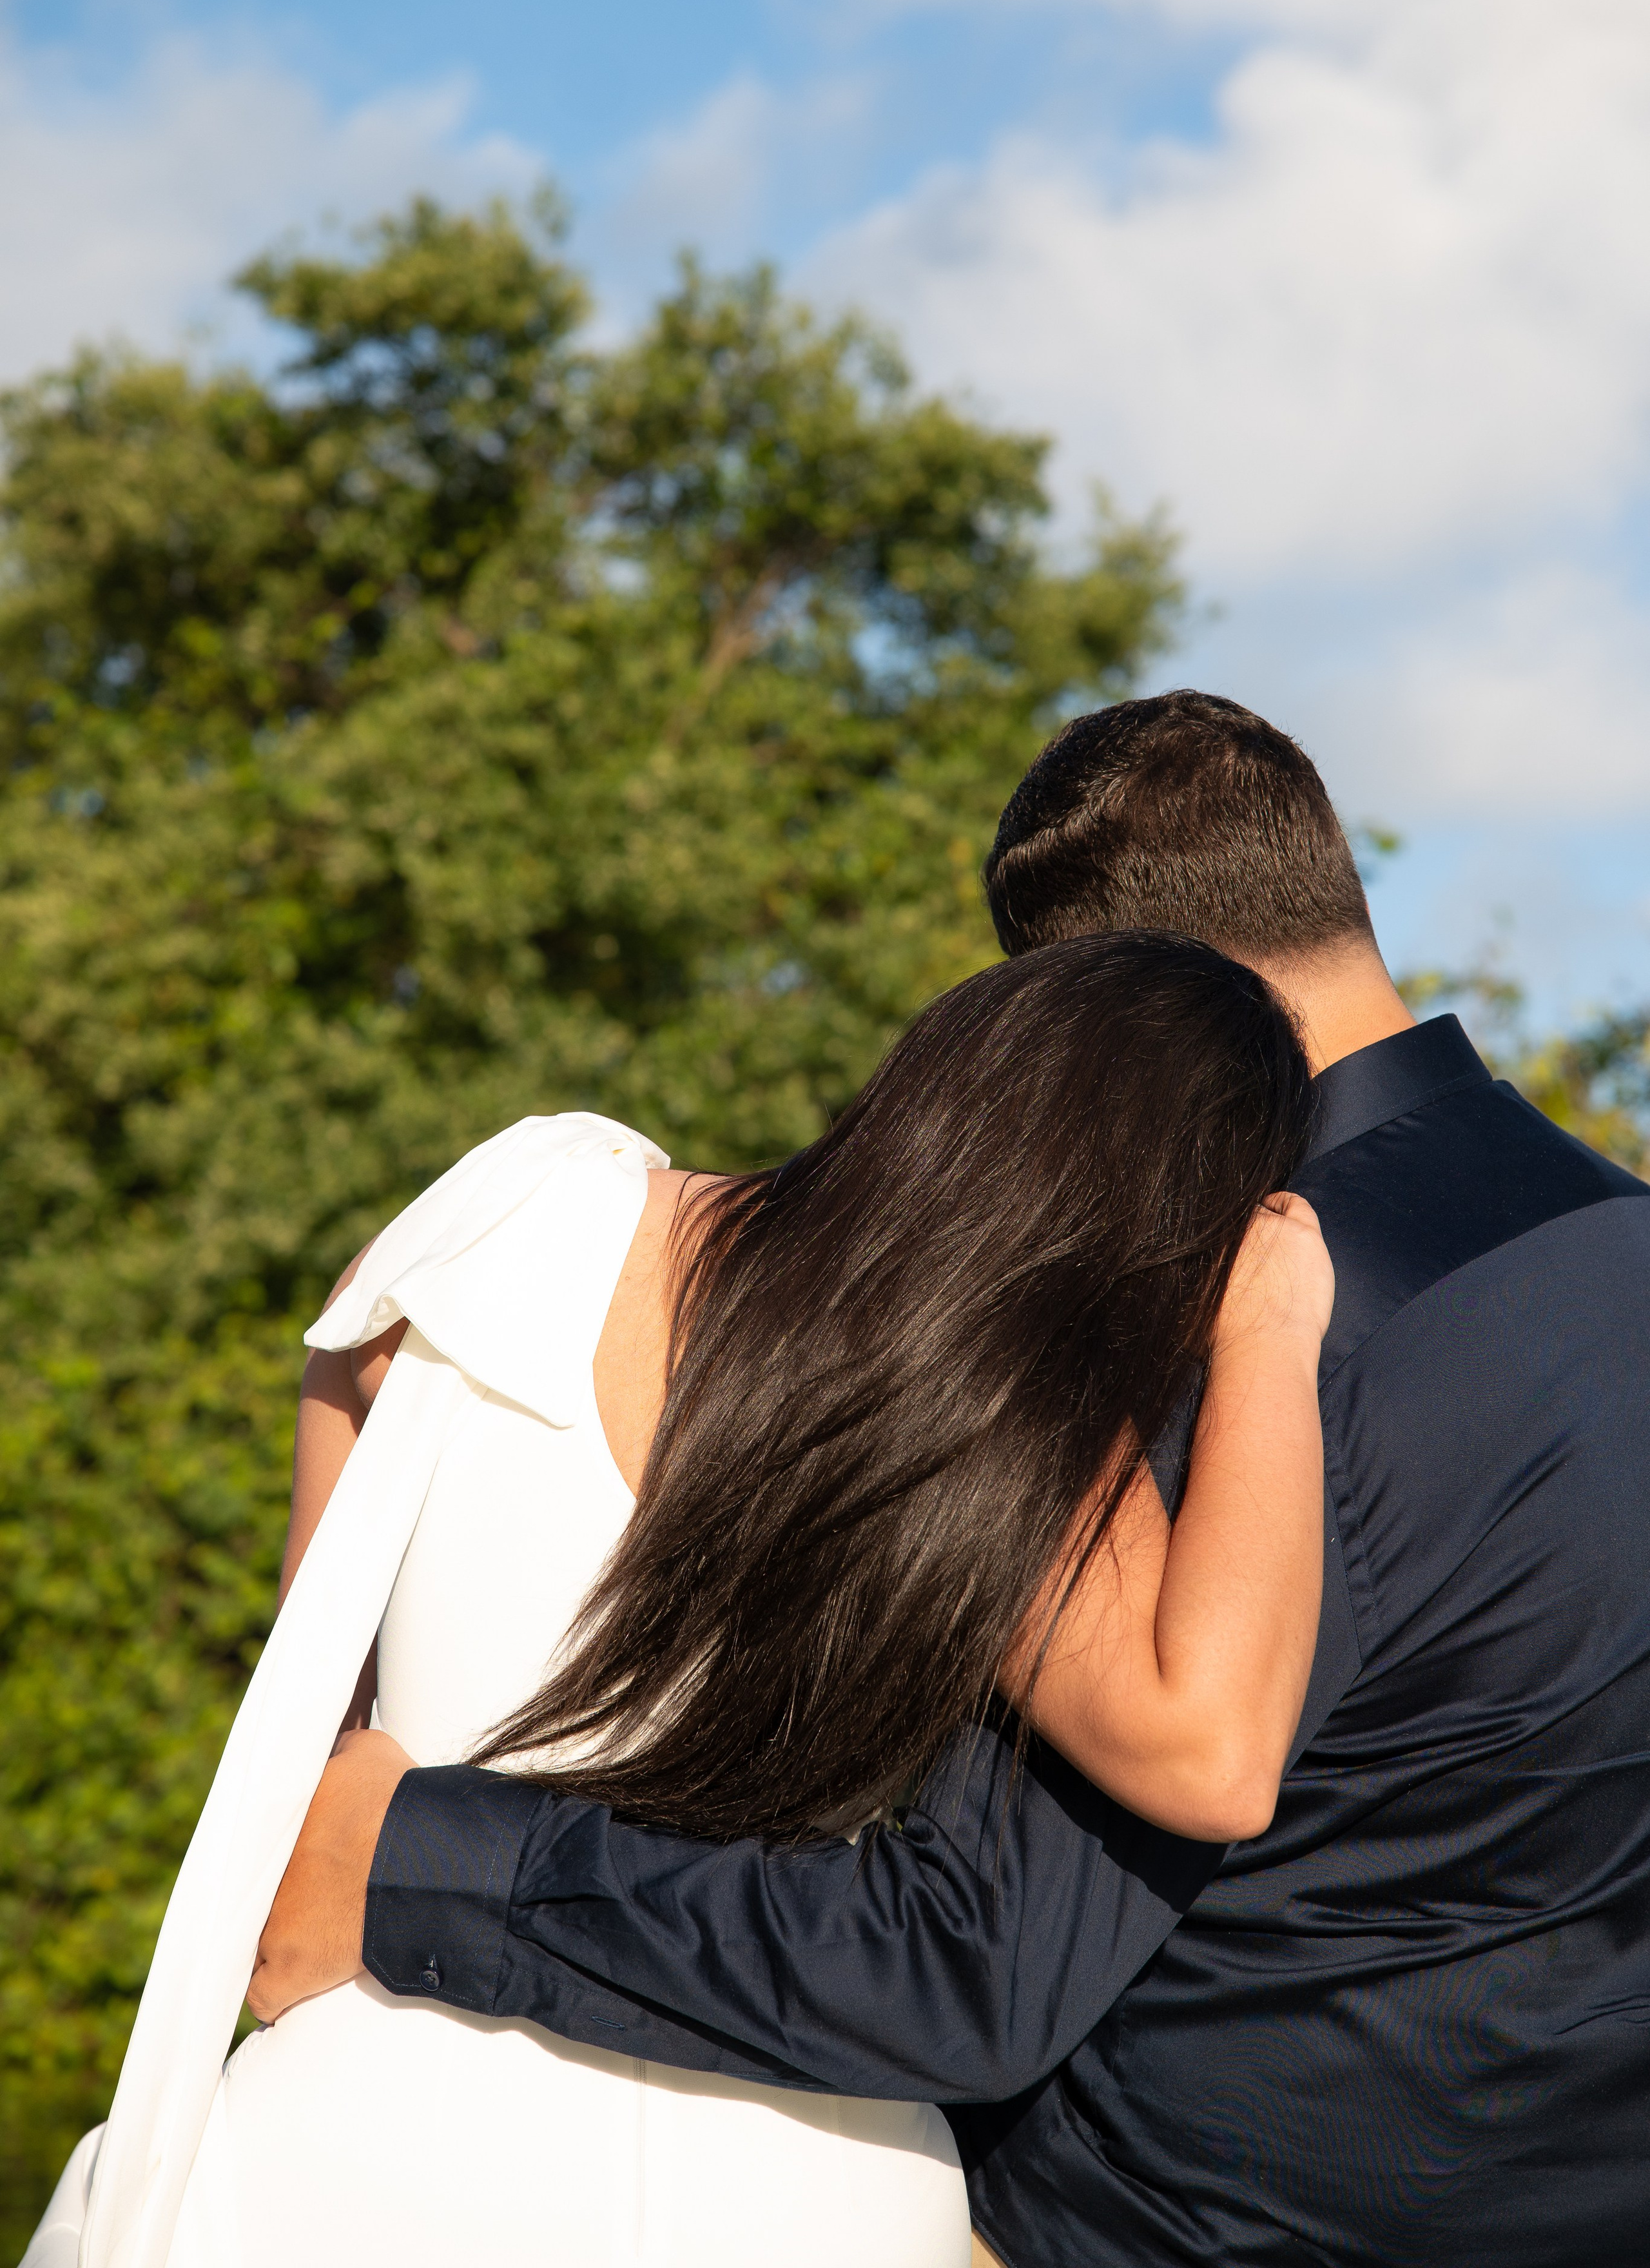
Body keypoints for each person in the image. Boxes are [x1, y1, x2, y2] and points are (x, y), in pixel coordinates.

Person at [249, 690, 1650, 2268]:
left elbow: (971, 1959)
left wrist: (418, 1864)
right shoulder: (1618, 1238)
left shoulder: (1217, 1332)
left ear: (1090, 1002)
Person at [36, 925, 1334, 2268]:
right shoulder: (999, 1427)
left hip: (373, 2136)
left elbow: (317, 1702)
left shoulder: (530, 1215)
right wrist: (1269, 1333)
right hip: (798, 2191)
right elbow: (1214, 1755)